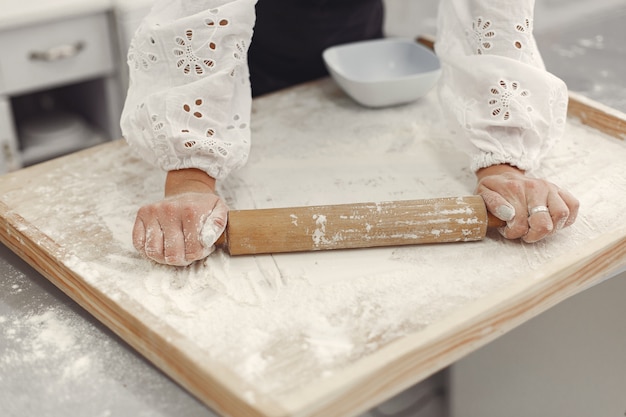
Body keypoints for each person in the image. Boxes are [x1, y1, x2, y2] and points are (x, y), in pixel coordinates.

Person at [121, 0, 579, 266]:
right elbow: (198, 14)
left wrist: (503, 156)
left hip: (350, 33)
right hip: (246, 44)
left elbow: (490, 12)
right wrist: (190, 173)